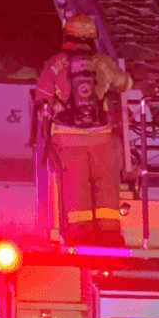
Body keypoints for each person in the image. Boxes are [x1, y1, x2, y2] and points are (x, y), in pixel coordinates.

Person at [32, 14, 132, 246]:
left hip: (66, 137)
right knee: (105, 181)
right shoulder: (102, 62)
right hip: (100, 136)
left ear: (66, 34)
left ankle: (81, 233)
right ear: (91, 38)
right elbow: (123, 83)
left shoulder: (55, 63)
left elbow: (42, 96)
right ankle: (109, 234)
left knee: (76, 182)